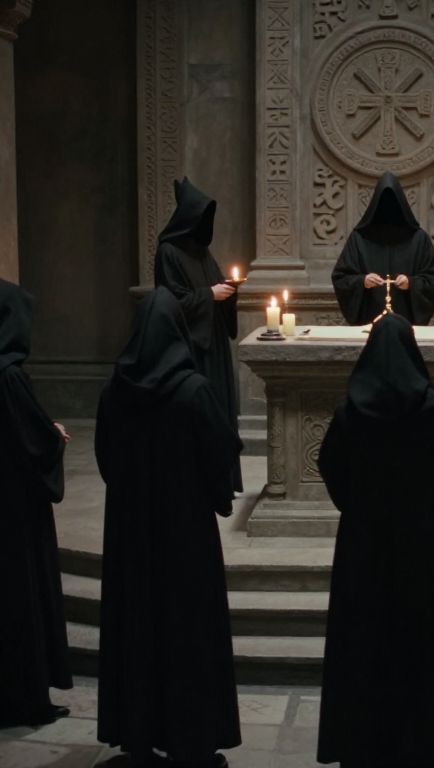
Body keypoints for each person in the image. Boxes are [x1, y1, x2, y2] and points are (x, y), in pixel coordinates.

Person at [96, 288, 242, 768]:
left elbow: (105, 457)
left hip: (131, 536)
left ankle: (138, 736)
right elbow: (219, 455)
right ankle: (192, 741)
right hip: (185, 537)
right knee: (186, 631)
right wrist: (213, 496)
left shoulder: (115, 391)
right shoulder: (193, 391)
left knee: (137, 628)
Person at [316, 313, 434, 768]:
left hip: (363, 543)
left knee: (363, 639)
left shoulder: (350, 414)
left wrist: (359, 507)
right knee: (420, 640)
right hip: (422, 542)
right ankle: (422, 744)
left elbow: (330, 467)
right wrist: (425, 505)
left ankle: (361, 744)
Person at [0, 279, 72, 728]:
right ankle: (27, 700)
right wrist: (54, 436)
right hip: (17, 512)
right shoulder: (9, 376)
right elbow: (32, 443)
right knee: (23, 600)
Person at [154, 176, 242, 492]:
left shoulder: (202, 252)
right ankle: (200, 481)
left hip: (213, 340)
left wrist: (228, 292)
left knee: (219, 409)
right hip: (191, 347)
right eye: (202, 216)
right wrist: (209, 295)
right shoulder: (168, 252)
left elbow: (215, 287)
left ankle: (222, 480)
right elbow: (169, 301)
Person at [331, 171, 434, 325]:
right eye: (383, 202)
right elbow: (341, 277)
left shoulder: (418, 239)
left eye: (393, 202)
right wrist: (362, 281)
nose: (388, 208)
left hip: (406, 321)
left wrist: (411, 283)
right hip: (369, 321)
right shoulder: (359, 238)